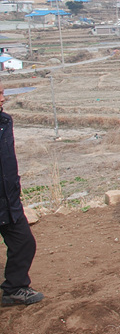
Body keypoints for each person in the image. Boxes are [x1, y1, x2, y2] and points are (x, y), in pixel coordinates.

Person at [0, 81, 44, 306]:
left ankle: (14, 289)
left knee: (24, 242)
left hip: (7, 199)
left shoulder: (4, 121)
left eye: (2, 92)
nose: (2, 97)